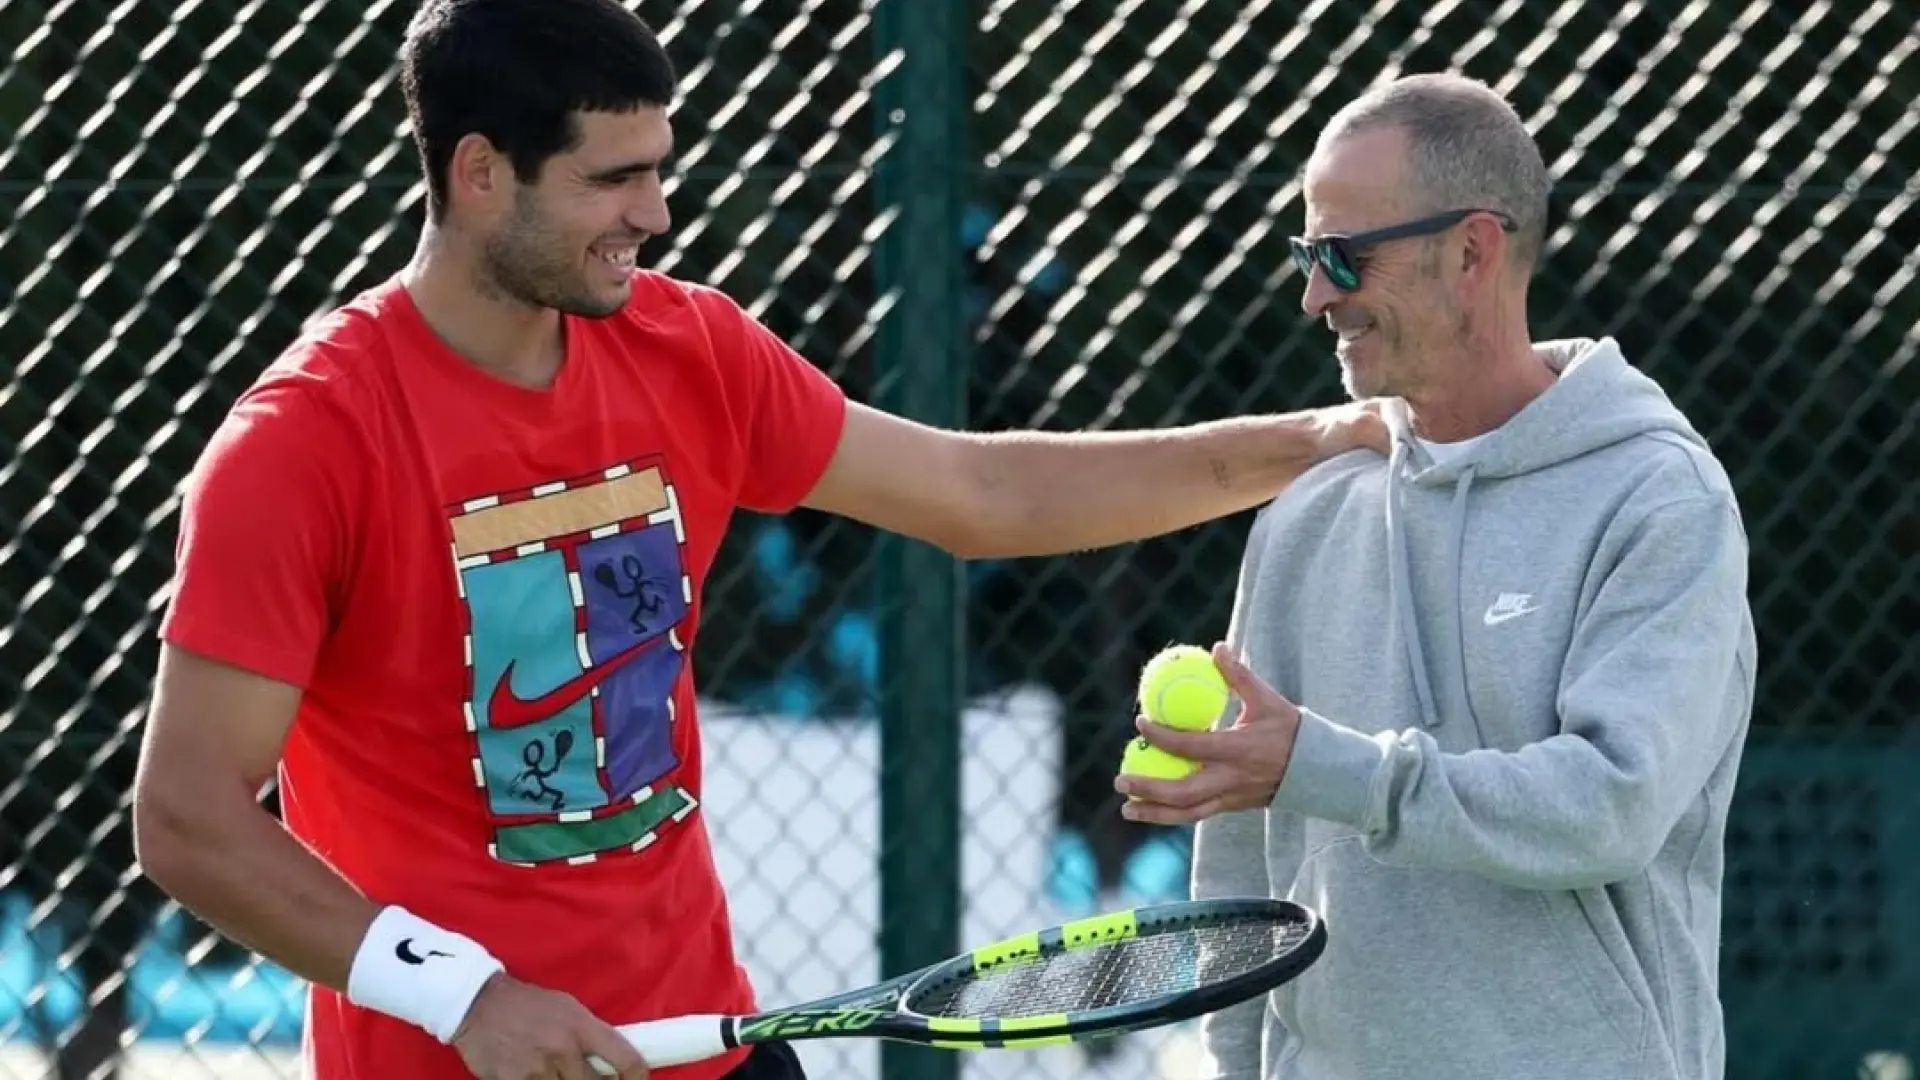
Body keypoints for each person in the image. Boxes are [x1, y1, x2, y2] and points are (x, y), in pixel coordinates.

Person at [128, 2, 1386, 1080]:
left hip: (709, 1045)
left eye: (658, 168)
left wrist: (1314, 440)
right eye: (611, 179)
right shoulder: (305, 443)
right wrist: (463, 998)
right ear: (478, 173)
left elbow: (977, 495)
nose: (655, 213)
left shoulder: (693, 352)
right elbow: (188, 816)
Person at [1115, 73, 1756, 1080]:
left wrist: (1339, 770)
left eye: (1343, 256)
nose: (1315, 294)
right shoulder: (1308, 515)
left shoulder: (1659, 499)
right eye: (1305, 254)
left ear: (1471, 251)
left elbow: (1611, 806)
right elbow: (1243, 875)